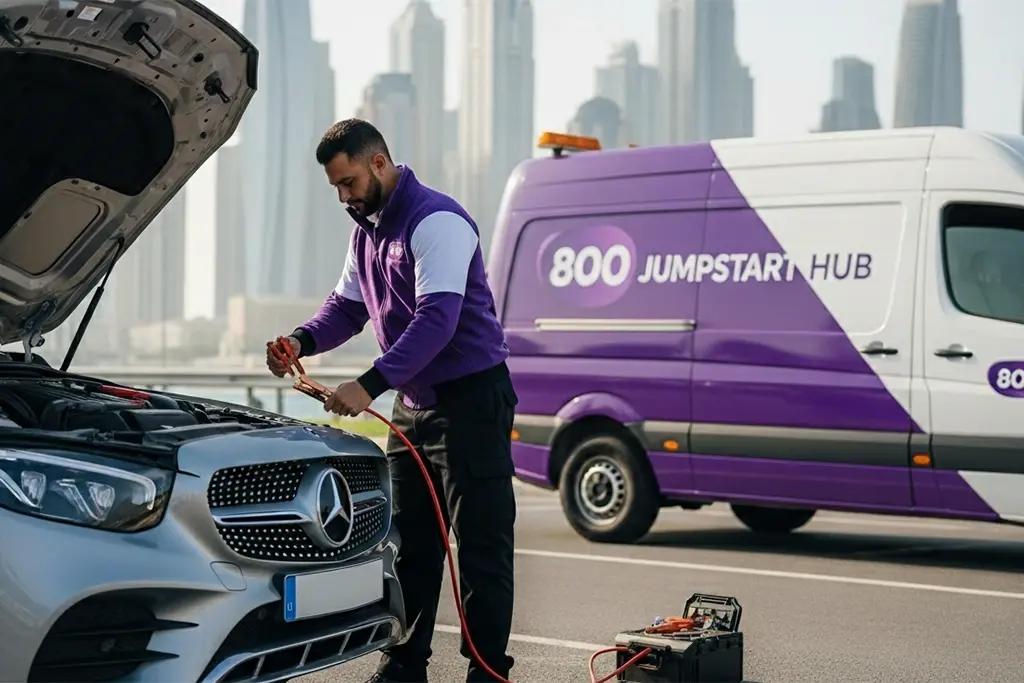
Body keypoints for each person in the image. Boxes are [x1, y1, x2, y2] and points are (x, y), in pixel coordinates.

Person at [266, 119, 517, 683]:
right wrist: (299, 341)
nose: (343, 196)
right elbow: (347, 310)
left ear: (378, 162)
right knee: (411, 548)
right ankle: (404, 667)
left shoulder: (439, 221)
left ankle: (487, 674)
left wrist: (368, 385)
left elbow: (438, 322)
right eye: (336, 187)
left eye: (349, 182)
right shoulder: (366, 232)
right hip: (412, 405)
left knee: (480, 550)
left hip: (471, 399)